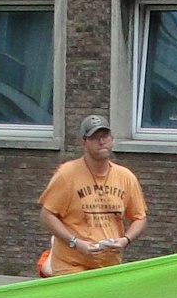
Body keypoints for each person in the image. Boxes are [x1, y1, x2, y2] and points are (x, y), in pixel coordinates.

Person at [37, 115, 148, 277]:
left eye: (105, 136)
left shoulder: (126, 177)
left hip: (108, 265)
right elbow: (47, 216)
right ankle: (51, 261)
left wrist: (125, 240)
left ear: (112, 139)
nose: (101, 141)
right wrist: (75, 242)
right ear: (84, 142)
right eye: (94, 138)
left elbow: (140, 217)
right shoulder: (67, 175)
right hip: (71, 263)